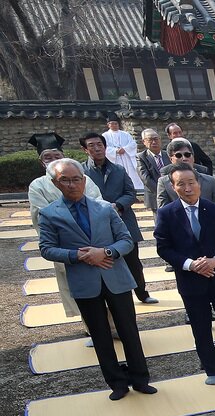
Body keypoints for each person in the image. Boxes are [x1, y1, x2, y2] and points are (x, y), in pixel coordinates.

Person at [38, 158, 156, 400]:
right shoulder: (49, 213)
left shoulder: (104, 208)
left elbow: (125, 240)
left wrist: (106, 252)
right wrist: (78, 255)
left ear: (84, 180)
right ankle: (117, 383)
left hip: (115, 275)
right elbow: (47, 248)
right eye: (65, 180)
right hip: (83, 279)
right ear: (55, 183)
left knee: (129, 330)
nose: (72, 185)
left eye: (76, 179)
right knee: (100, 335)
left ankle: (140, 378)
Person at [154, 167, 215, 385]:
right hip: (191, 280)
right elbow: (164, 248)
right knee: (201, 326)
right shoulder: (167, 213)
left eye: (191, 182)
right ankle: (212, 370)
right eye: (181, 184)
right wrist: (191, 265)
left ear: (198, 183)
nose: (187, 188)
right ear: (173, 187)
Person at [30, 134, 105, 325]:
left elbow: (99, 204)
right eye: (48, 158)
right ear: (41, 162)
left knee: (107, 285)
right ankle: (92, 328)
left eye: (57, 156)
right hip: (67, 246)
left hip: (96, 240)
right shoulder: (38, 186)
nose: (54, 161)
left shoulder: (83, 178)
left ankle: (115, 326)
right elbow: (42, 215)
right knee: (78, 290)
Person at [80, 130, 156, 305]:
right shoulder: (82, 172)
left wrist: (117, 205)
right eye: (91, 146)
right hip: (96, 223)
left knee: (133, 262)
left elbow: (130, 193)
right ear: (85, 150)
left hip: (123, 218)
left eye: (100, 145)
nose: (97, 149)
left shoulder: (118, 169)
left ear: (105, 147)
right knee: (105, 261)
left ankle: (142, 293)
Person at [156, 139, 215, 210]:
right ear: (171, 159)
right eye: (178, 155)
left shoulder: (210, 181)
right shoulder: (164, 182)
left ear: (193, 157)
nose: (184, 158)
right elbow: (163, 211)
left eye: (187, 155)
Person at [101, 116, 143, 196]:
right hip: (114, 158)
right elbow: (103, 147)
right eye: (111, 124)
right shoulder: (105, 135)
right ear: (108, 125)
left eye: (115, 123)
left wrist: (125, 149)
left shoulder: (125, 134)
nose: (114, 125)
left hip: (125, 157)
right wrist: (115, 151)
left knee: (130, 173)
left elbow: (133, 144)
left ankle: (134, 190)